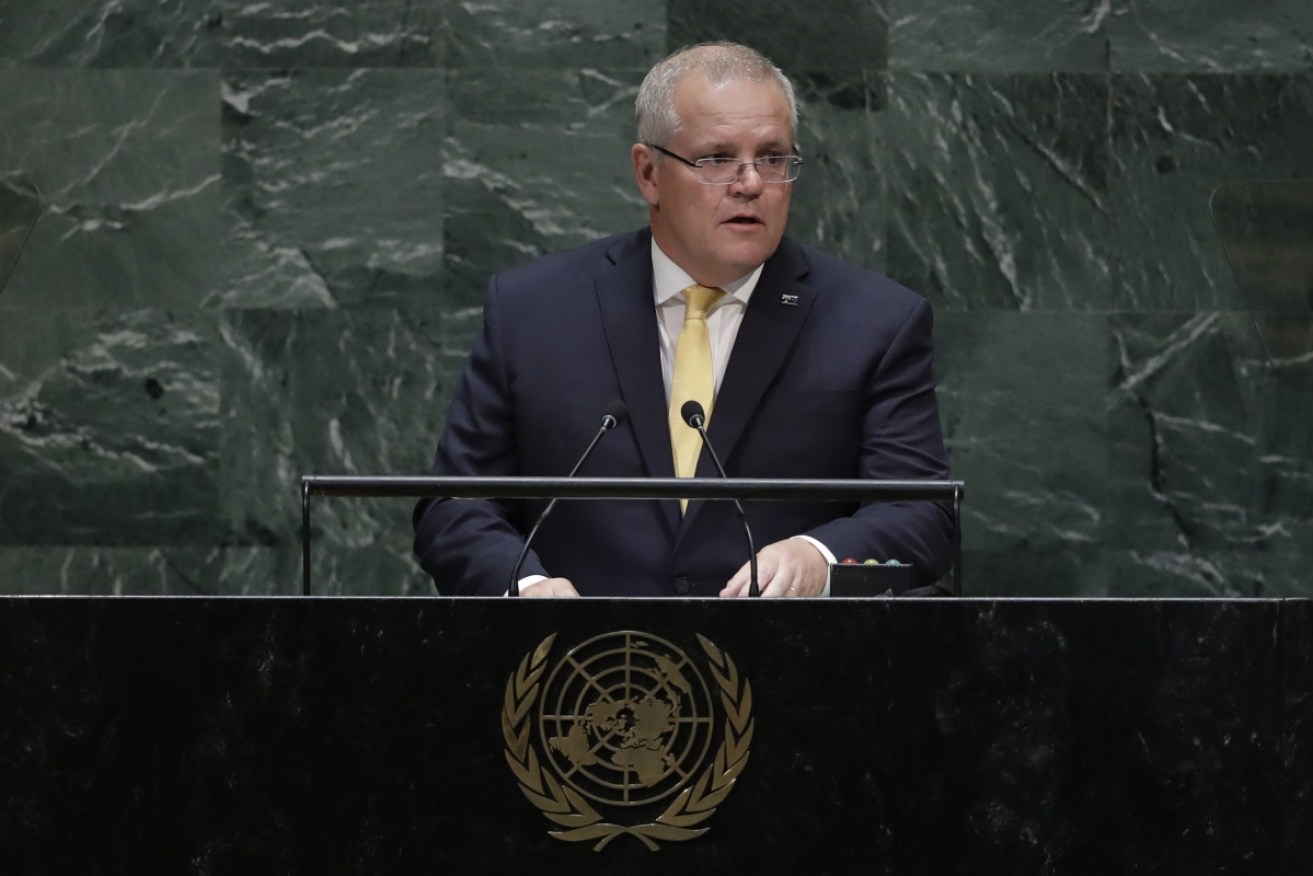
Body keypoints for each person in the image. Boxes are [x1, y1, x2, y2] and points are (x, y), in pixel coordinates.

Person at [413, 42, 953, 597]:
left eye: (772, 157)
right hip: (578, 668)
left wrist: (819, 556)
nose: (750, 183)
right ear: (649, 173)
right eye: (717, 158)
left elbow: (922, 515)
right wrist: (526, 586)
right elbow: (455, 507)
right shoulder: (533, 311)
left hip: (789, 663)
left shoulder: (876, 323)